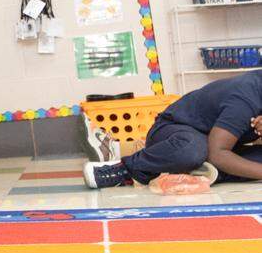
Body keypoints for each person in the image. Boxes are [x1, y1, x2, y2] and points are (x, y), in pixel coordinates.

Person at [84, 71, 262, 189]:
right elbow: (218, 152)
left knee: (201, 153)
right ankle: (124, 169)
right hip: (176, 129)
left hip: (216, 143)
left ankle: (195, 171)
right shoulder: (246, 98)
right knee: (192, 150)